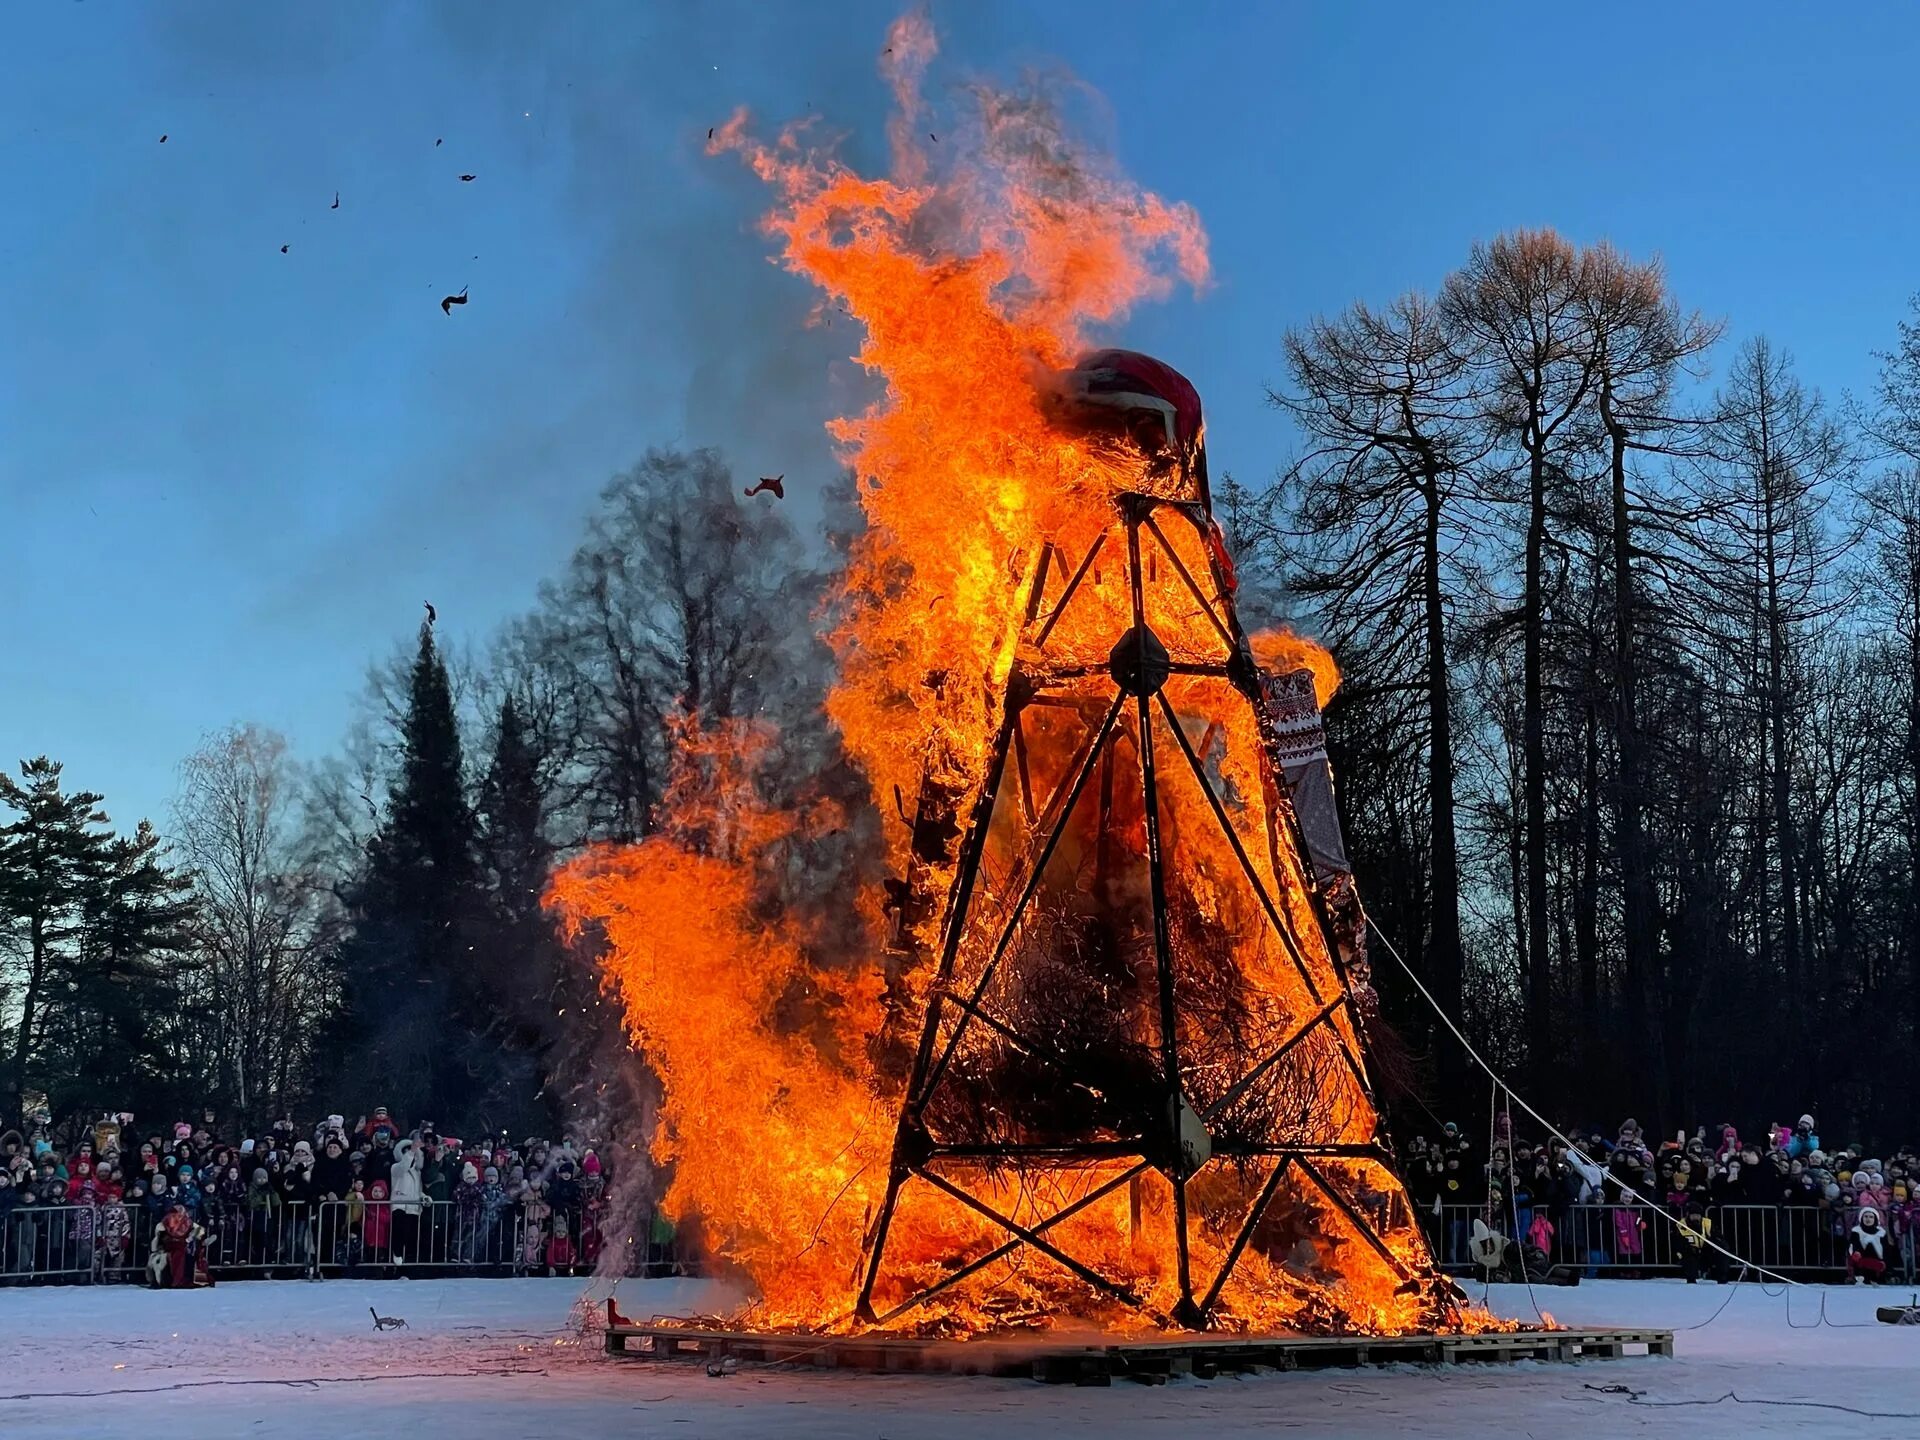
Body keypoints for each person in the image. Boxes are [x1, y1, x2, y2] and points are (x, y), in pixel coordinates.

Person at [389, 1136, 424, 1272]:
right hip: (399, 1205)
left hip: (413, 1207)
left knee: (411, 1237)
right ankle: (396, 1255)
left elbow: (418, 1189)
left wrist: (424, 1197)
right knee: (399, 1233)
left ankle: (408, 1267)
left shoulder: (417, 1172)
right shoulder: (395, 1167)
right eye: (408, 1152)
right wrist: (412, 1150)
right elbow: (404, 1166)